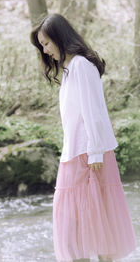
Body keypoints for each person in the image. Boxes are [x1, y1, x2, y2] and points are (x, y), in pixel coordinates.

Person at [30, 14, 136, 262]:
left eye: (46, 43)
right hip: (74, 154)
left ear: (59, 37)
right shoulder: (69, 69)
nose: (45, 51)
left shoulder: (81, 66)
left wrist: (96, 151)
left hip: (89, 156)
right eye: (41, 46)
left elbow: (94, 111)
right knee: (75, 229)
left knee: (95, 227)